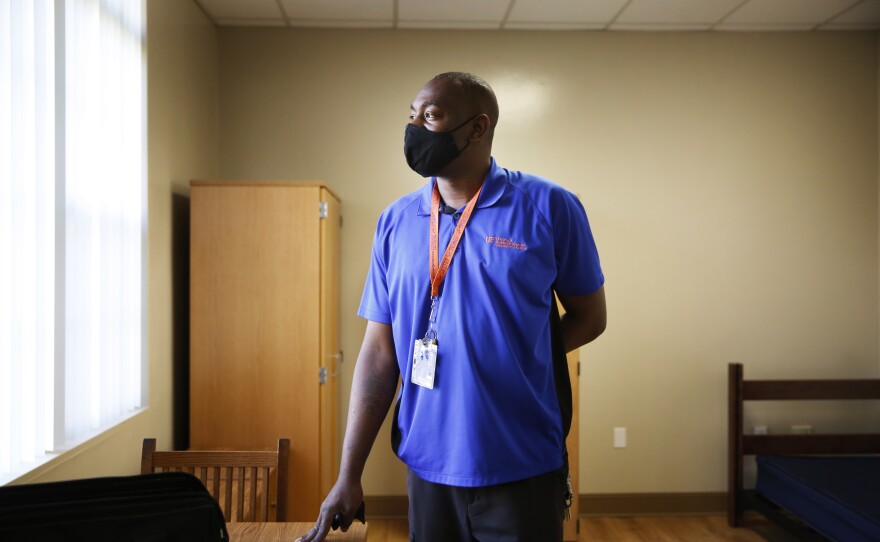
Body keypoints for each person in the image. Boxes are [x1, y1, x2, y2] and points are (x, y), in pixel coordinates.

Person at [298, 72, 606, 542]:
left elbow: (591, 316)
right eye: (412, 116)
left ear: (477, 128)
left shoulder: (549, 207)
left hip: (522, 466)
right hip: (427, 467)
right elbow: (380, 357)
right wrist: (348, 474)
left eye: (432, 115)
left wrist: (525, 356)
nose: (416, 126)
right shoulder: (395, 222)